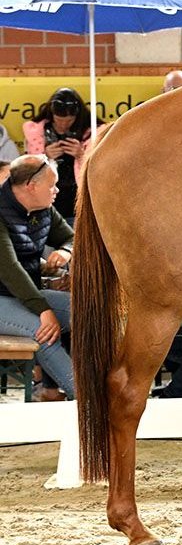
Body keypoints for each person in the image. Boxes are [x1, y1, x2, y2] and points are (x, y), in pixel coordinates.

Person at [0, 155, 75, 401]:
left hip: (26, 294)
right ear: (30, 186)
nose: (57, 190)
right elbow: (9, 269)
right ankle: (90, 401)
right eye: (51, 185)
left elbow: (72, 237)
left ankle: (111, 385)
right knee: (42, 330)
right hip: (6, 297)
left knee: (91, 312)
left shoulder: (44, 209)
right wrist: (44, 310)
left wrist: (66, 251)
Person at [23, 87, 91, 226]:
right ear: (51, 114)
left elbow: (101, 168)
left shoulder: (92, 132)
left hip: (78, 202)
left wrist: (81, 155)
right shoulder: (36, 132)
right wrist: (45, 155)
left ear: (77, 117)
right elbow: (26, 169)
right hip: (45, 204)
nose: (63, 124)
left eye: (69, 120)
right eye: (59, 120)